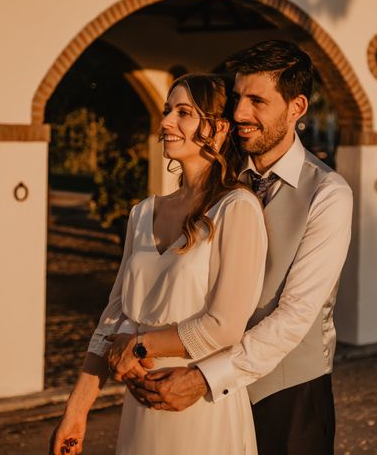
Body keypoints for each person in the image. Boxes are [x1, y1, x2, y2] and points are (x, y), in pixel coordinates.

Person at [129, 40, 353, 454]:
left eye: (257, 101)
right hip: (208, 397)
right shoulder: (220, 184)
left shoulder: (328, 193)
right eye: (237, 98)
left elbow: (295, 316)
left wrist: (203, 378)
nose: (239, 113)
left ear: (297, 107)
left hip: (288, 400)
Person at [49, 74, 268, 455]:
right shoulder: (142, 213)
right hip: (140, 407)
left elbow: (224, 326)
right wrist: (77, 411)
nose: (166, 122)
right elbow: (112, 318)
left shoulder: (238, 209)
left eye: (183, 113)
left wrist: (136, 347)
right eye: (168, 111)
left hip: (200, 402)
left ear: (217, 129)